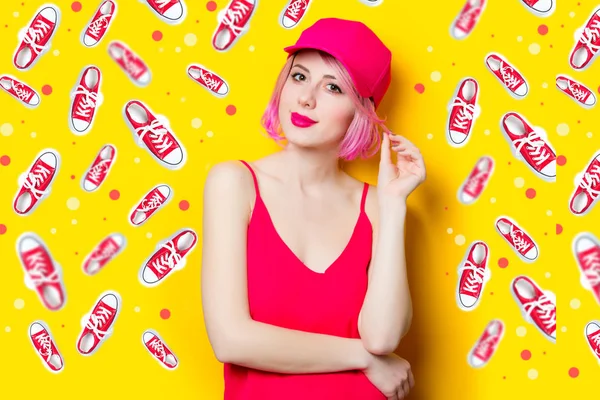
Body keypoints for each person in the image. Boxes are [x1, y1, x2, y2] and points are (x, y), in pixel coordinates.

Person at [201, 17, 426, 400]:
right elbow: (230, 340)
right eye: (300, 77)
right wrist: (363, 359)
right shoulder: (234, 183)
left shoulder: (374, 205)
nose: (306, 99)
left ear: (360, 111)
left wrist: (393, 205)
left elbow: (383, 336)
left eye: (333, 87)